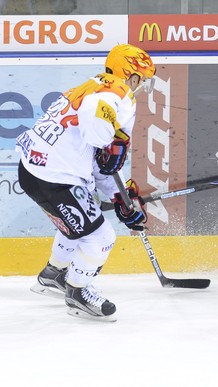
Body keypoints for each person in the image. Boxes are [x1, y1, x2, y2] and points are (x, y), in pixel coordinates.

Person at [15, 44, 155, 321]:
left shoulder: (90, 84)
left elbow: (99, 164)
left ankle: (52, 275)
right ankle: (77, 292)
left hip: (33, 171)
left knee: (76, 225)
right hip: (55, 179)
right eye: (143, 81)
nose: (141, 88)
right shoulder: (119, 92)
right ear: (133, 77)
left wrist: (120, 197)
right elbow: (99, 133)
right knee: (101, 238)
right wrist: (108, 141)